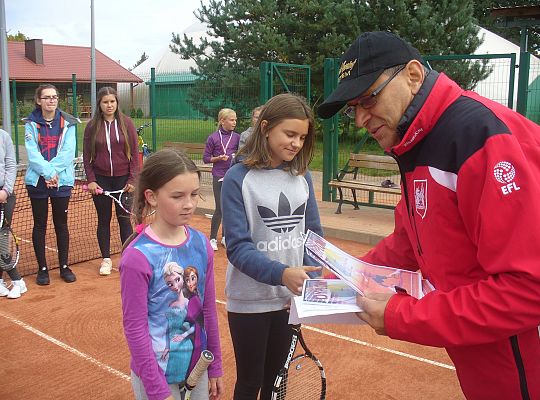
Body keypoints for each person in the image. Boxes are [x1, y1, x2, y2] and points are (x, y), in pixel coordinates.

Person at [317, 31, 540, 400]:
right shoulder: (415, 140)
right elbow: (410, 242)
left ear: (414, 75)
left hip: (522, 359)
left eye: (368, 98)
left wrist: (403, 316)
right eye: (351, 107)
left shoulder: (476, 135)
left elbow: (528, 289)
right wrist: (340, 278)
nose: (359, 119)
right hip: (487, 354)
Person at [221, 93, 323, 400]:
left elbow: (314, 237)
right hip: (249, 303)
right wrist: (283, 274)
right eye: (289, 134)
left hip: (289, 303)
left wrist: (309, 280)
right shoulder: (237, 177)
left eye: (302, 137)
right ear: (265, 128)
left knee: (276, 383)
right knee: (250, 383)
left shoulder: (301, 178)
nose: (296, 143)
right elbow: (238, 247)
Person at [119, 149, 223, 400]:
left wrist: (215, 364)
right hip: (155, 376)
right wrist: (156, 389)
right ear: (151, 197)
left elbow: (207, 309)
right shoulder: (137, 257)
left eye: (194, 194)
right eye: (177, 196)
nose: (189, 203)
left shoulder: (201, 244)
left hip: (196, 368)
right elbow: (135, 328)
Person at [24, 84, 78, 285]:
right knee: (40, 225)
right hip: (37, 182)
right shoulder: (30, 124)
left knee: (61, 225)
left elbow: (67, 152)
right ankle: (43, 269)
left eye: (54, 97)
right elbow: (32, 153)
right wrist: (47, 173)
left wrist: (53, 173)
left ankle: (64, 266)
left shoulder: (69, 123)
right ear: (39, 100)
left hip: (61, 182)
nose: (51, 100)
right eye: (47, 97)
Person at [83, 86, 139, 276]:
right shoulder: (92, 126)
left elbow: (134, 155)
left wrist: (132, 178)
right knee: (103, 220)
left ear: (117, 103)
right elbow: (86, 155)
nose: (109, 105)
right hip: (101, 181)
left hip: (124, 181)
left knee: (124, 220)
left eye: (112, 101)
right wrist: (91, 180)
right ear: (99, 104)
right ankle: (106, 259)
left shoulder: (127, 124)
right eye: (105, 102)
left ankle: (128, 258)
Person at [203, 108, 240, 251]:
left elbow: (241, 154)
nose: (234, 122)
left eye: (235, 119)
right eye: (232, 120)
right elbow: (206, 159)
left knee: (229, 207)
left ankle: (225, 237)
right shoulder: (213, 138)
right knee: (220, 208)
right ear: (222, 121)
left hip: (232, 176)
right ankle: (212, 238)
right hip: (218, 175)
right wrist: (218, 158)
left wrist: (235, 156)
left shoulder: (237, 137)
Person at [0, 128, 27, 299]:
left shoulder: (3, 136)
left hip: (5, 195)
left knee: (2, 240)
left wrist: (6, 190)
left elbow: (10, 165)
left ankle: (18, 282)